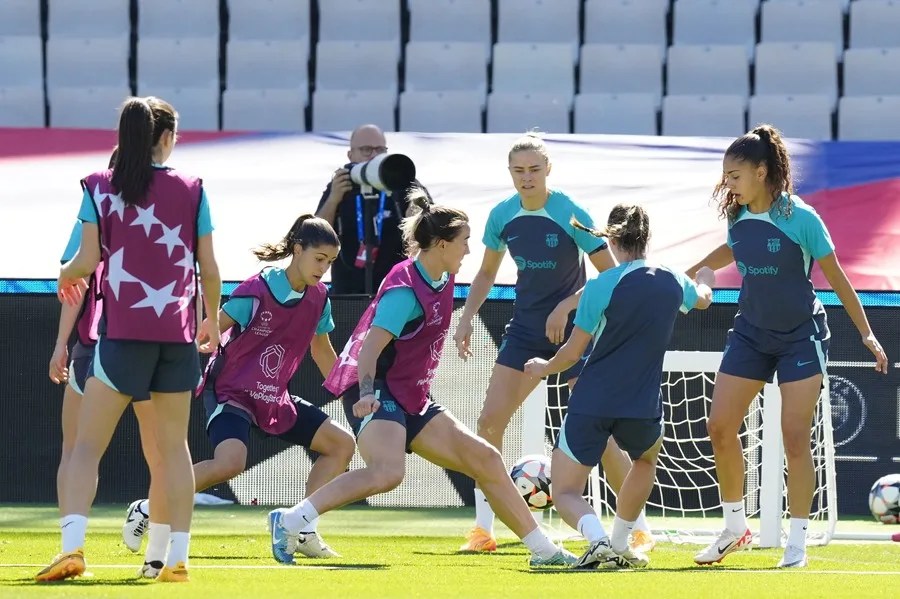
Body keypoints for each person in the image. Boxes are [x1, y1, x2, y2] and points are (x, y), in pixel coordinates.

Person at [268, 192, 576, 567]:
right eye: (464, 242)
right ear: (442, 244)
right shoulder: (404, 291)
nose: (468, 250)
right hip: (376, 387)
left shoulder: (443, 273)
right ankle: (290, 520)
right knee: (388, 471)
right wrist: (366, 394)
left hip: (410, 394)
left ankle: (545, 551)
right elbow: (368, 350)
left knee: (486, 458)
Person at [37, 96, 222, 583]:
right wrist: (212, 319)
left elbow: (86, 260)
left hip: (122, 338)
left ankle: (73, 549)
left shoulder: (99, 186)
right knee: (172, 451)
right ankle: (172, 557)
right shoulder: (193, 188)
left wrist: (63, 274)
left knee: (83, 449)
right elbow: (210, 267)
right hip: (177, 337)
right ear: (166, 137)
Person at [687, 124, 889, 569]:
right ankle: (735, 527)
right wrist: (692, 270)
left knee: (796, 438)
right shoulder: (737, 214)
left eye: (735, 175)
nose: (728, 184)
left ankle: (797, 541)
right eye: (725, 175)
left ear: (762, 172)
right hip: (750, 334)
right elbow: (733, 247)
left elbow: (837, 278)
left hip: (801, 335)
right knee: (719, 425)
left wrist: (868, 333)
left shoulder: (802, 218)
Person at [452, 132, 655, 553]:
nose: (526, 178)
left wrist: (566, 306)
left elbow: (607, 273)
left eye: (534, 169)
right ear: (510, 173)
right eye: (518, 171)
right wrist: (467, 317)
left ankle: (635, 527)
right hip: (525, 332)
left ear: (548, 171)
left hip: (575, 333)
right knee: (489, 424)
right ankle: (483, 530)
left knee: (602, 434)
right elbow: (487, 274)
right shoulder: (502, 215)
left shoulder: (569, 211)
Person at [122, 215, 356, 562]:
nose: (324, 268)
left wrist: (353, 395)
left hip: (274, 398)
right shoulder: (259, 289)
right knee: (230, 462)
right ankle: (146, 507)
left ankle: (302, 528)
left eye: (330, 262)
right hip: (231, 391)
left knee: (341, 444)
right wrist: (195, 342)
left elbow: (322, 351)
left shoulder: (320, 298)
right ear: (297, 250)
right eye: (319, 258)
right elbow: (212, 327)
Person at [524, 204, 714, 569]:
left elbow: (571, 352)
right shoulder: (674, 278)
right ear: (647, 238)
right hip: (642, 404)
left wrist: (543, 367)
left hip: (593, 400)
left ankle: (598, 542)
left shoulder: (601, 285)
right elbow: (703, 299)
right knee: (645, 461)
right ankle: (620, 543)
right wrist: (706, 278)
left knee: (563, 490)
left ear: (611, 238)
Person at [315, 124, 432, 295]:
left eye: (379, 150)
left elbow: (433, 229)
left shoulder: (401, 179)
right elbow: (315, 234)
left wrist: (417, 218)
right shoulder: (343, 182)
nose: (374, 156)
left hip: (398, 288)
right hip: (347, 289)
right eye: (366, 150)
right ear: (350, 155)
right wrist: (333, 199)